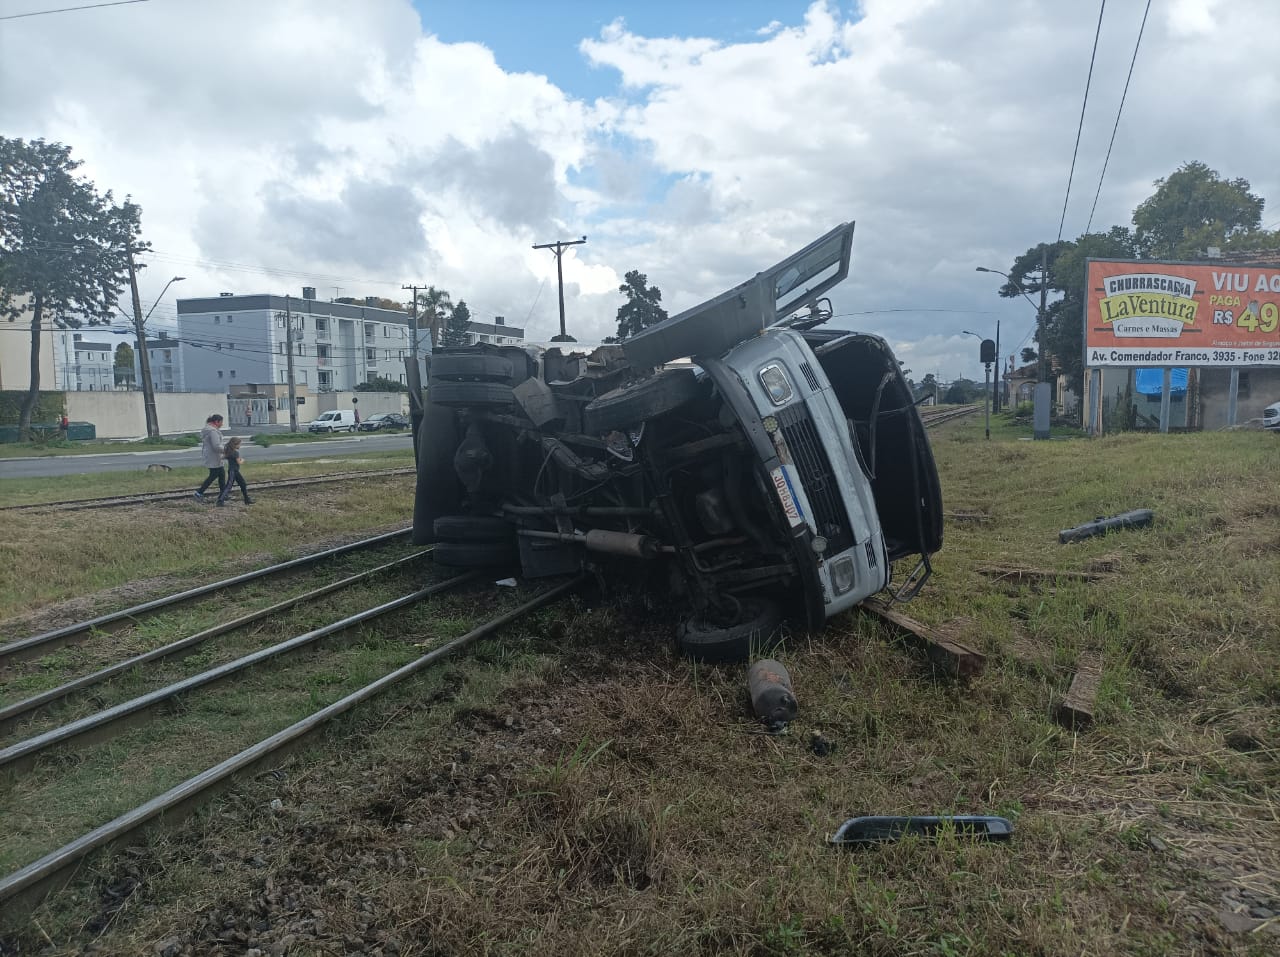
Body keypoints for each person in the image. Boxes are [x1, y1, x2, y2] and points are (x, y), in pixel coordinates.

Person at [194, 414, 226, 501]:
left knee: (221, 474)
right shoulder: (213, 432)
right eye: (221, 422)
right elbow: (216, 446)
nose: (222, 424)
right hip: (214, 457)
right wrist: (227, 450)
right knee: (213, 475)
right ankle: (199, 493)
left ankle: (223, 494)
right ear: (216, 422)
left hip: (212, 456)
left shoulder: (209, 430)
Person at [215, 436, 253, 506]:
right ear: (235, 445)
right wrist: (243, 460)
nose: (240, 446)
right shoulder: (235, 453)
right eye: (239, 444)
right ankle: (220, 501)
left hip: (234, 471)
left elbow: (222, 457)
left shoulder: (229, 452)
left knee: (243, 484)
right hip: (233, 472)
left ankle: (247, 499)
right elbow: (239, 462)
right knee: (229, 486)